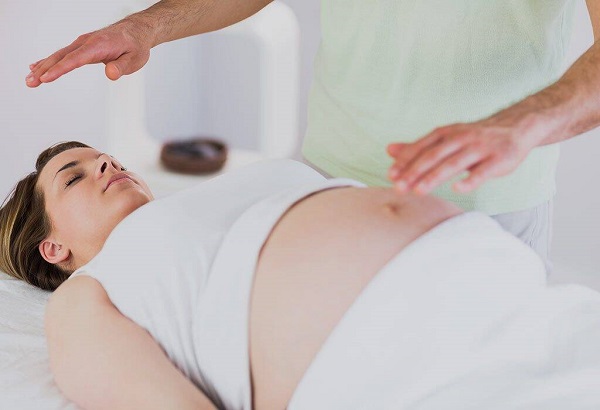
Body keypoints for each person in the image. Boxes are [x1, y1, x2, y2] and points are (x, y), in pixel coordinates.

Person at [23, 1, 600, 271]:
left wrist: (524, 123)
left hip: (486, 201)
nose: (105, 168)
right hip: (330, 181)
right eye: (75, 175)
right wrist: (146, 25)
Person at [1, 141, 570, 409]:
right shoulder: (84, 298)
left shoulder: (195, 205)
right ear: (52, 248)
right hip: (398, 365)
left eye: (105, 156)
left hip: (508, 295)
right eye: (72, 178)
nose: (107, 163)